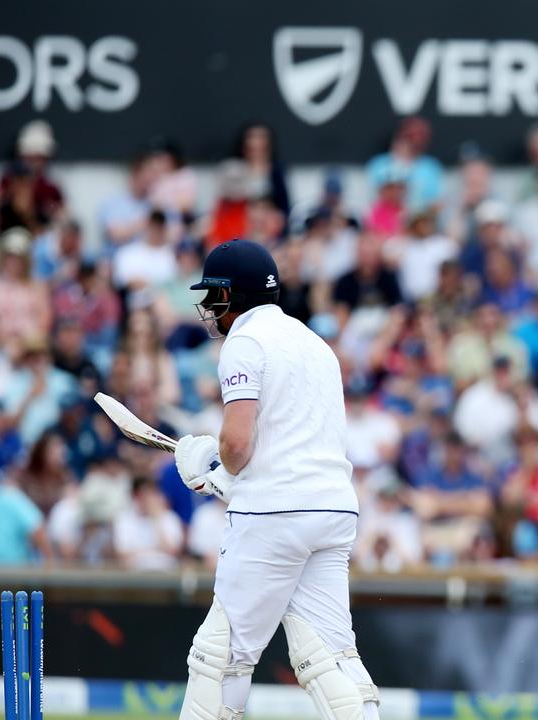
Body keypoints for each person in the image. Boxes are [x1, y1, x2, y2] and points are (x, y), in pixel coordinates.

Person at [171, 239, 380, 720]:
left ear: (235, 295)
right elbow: (289, 442)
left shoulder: (244, 342)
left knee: (221, 659)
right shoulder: (314, 342)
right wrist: (227, 475)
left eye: (214, 296)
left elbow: (238, 446)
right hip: (332, 509)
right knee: (331, 655)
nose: (209, 308)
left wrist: (212, 463)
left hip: (274, 515)